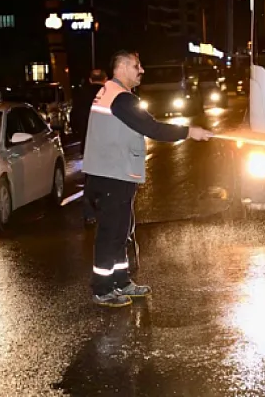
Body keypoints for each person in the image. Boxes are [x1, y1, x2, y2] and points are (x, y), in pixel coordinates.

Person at [83, 50, 213, 307]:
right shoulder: (120, 99)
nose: (141, 70)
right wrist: (189, 131)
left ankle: (121, 280)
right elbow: (153, 128)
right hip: (111, 175)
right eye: (136, 66)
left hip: (113, 173)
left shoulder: (112, 94)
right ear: (121, 68)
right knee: (111, 233)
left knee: (121, 231)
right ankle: (102, 288)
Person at [72, 70, 106, 226]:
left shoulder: (81, 95)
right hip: (108, 142)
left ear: (90, 80)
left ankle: (89, 214)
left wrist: (80, 132)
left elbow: (74, 117)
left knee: (90, 179)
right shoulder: (109, 93)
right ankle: (107, 211)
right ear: (105, 79)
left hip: (89, 142)